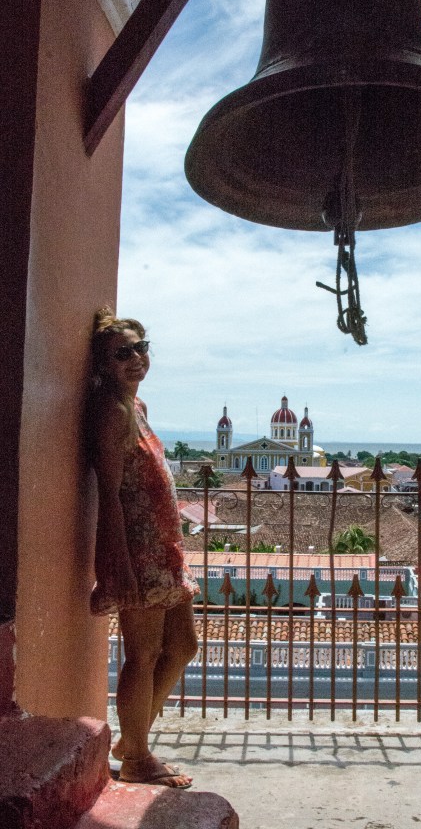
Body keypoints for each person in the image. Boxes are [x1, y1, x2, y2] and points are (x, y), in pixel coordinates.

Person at [88, 306, 199, 788]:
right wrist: (118, 562)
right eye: (122, 353)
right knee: (144, 652)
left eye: (141, 348)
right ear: (104, 365)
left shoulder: (137, 408)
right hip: (140, 550)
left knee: (184, 647)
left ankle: (133, 742)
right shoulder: (112, 413)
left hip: (165, 547)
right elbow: (109, 491)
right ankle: (137, 757)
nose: (136, 359)